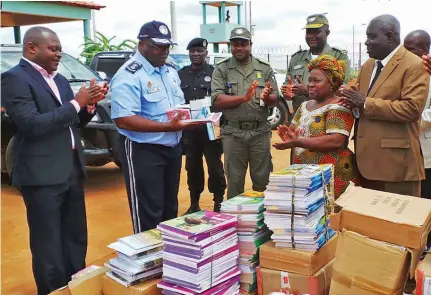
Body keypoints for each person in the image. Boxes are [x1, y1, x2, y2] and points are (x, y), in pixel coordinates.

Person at [1, 26, 108, 294]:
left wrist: (88, 108)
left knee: (75, 237)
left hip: (70, 169)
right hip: (41, 175)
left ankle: (77, 287)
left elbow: (69, 121)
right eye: (53, 48)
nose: (59, 53)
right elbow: (32, 125)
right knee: (48, 243)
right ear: (31, 48)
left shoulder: (59, 80)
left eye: (60, 48)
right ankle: (53, 291)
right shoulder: (13, 79)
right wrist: (75, 103)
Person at [110, 21, 203, 233]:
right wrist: (167, 127)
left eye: (166, 47)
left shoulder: (169, 70)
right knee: (148, 212)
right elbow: (123, 119)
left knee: (169, 209)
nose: (163, 51)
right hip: (144, 150)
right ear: (142, 44)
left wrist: (196, 116)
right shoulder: (129, 74)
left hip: (172, 149)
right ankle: (148, 261)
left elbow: (176, 106)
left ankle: (167, 259)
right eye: (157, 46)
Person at [340, 15, 429, 197]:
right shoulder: (368, 66)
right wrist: (353, 104)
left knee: (401, 222)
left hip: (396, 167)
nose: (366, 42)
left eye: (372, 37)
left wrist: (364, 102)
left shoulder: (414, 65)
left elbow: (411, 109)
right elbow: (362, 105)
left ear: (390, 36)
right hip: (366, 162)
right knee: (370, 222)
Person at [274, 55, 357, 198]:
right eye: (310, 80)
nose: (310, 84)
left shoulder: (339, 106)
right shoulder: (304, 105)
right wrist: (289, 135)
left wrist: (299, 141)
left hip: (331, 176)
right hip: (305, 174)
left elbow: (337, 140)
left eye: (317, 81)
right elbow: (293, 131)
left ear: (333, 83)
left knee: (330, 215)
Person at [211, 27, 279, 199]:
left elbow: (275, 97)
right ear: (230, 46)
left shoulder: (264, 68)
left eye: (243, 44)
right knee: (234, 183)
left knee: (262, 181)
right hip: (233, 134)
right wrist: (244, 98)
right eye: (235, 44)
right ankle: (237, 223)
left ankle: (263, 223)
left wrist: (267, 97)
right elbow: (217, 99)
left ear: (250, 44)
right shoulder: (222, 69)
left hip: (260, 133)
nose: (239, 48)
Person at [178, 38, 226, 213]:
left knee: (215, 166)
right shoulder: (181, 74)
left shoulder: (215, 73)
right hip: (190, 130)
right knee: (192, 167)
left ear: (206, 53)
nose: (196, 54)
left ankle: (218, 202)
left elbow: (221, 99)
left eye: (199, 51)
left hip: (210, 128)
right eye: (192, 51)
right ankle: (194, 203)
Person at [282, 14, 350, 120]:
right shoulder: (297, 58)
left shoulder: (338, 57)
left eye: (316, 32)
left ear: (327, 33)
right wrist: (288, 92)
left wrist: (307, 90)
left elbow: (342, 91)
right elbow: (287, 88)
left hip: (327, 120)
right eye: (308, 32)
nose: (311, 36)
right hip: (300, 120)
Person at [404, 30, 431, 199]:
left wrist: (407, 114)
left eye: (410, 49)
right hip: (407, 148)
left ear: (425, 49)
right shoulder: (406, 72)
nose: (406, 54)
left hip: (427, 148)